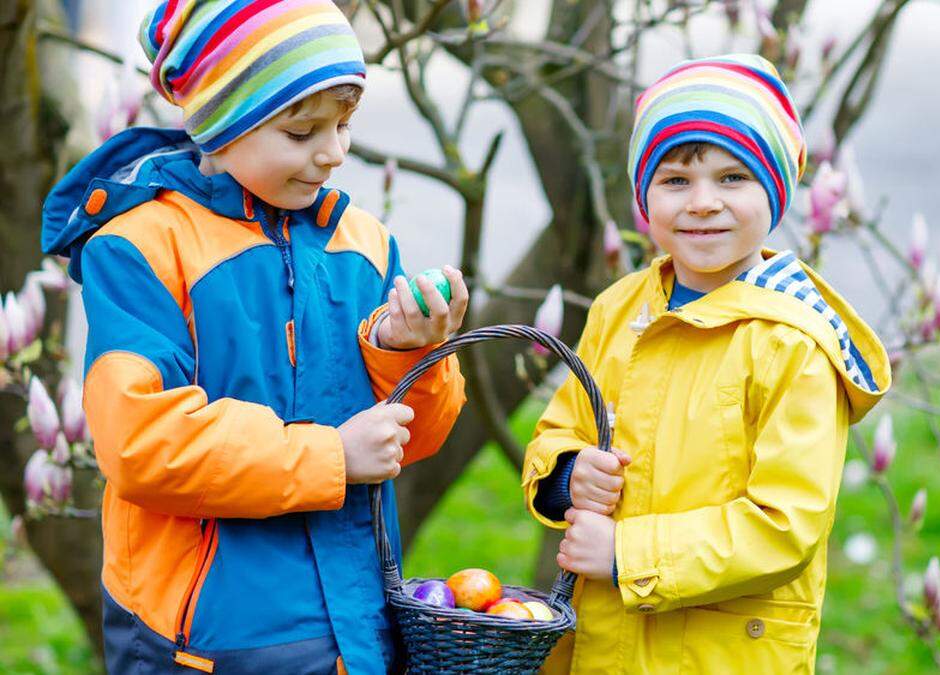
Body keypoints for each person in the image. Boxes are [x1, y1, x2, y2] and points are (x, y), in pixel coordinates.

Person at [40, 2, 468, 672]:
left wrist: (409, 348)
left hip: (355, 630)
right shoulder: (141, 248)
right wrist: (331, 455)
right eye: (302, 132)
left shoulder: (361, 242)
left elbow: (414, 438)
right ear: (221, 123)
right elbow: (143, 442)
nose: (334, 152)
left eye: (344, 125)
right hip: (210, 643)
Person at [523, 53, 892, 674]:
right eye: (675, 181)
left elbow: (785, 526)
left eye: (732, 178)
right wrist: (566, 476)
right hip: (599, 644)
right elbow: (562, 428)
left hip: (721, 654)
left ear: (775, 191)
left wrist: (626, 553)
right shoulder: (619, 308)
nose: (701, 203)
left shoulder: (791, 342)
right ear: (645, 196)